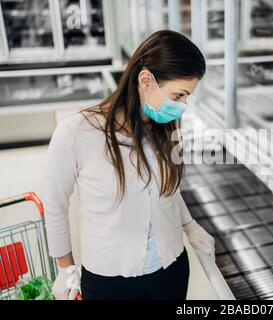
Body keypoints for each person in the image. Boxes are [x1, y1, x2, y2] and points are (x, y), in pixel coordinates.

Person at [43, 30, 215, 300]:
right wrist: (65, 267)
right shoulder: (75, 133)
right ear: (146, 80)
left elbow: (167, 189)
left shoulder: (164, 127)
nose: (183, 106)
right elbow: (55, 206)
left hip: (170, 270)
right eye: (179, 95)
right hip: (110, 282)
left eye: (186, 98)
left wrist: (189, 225)